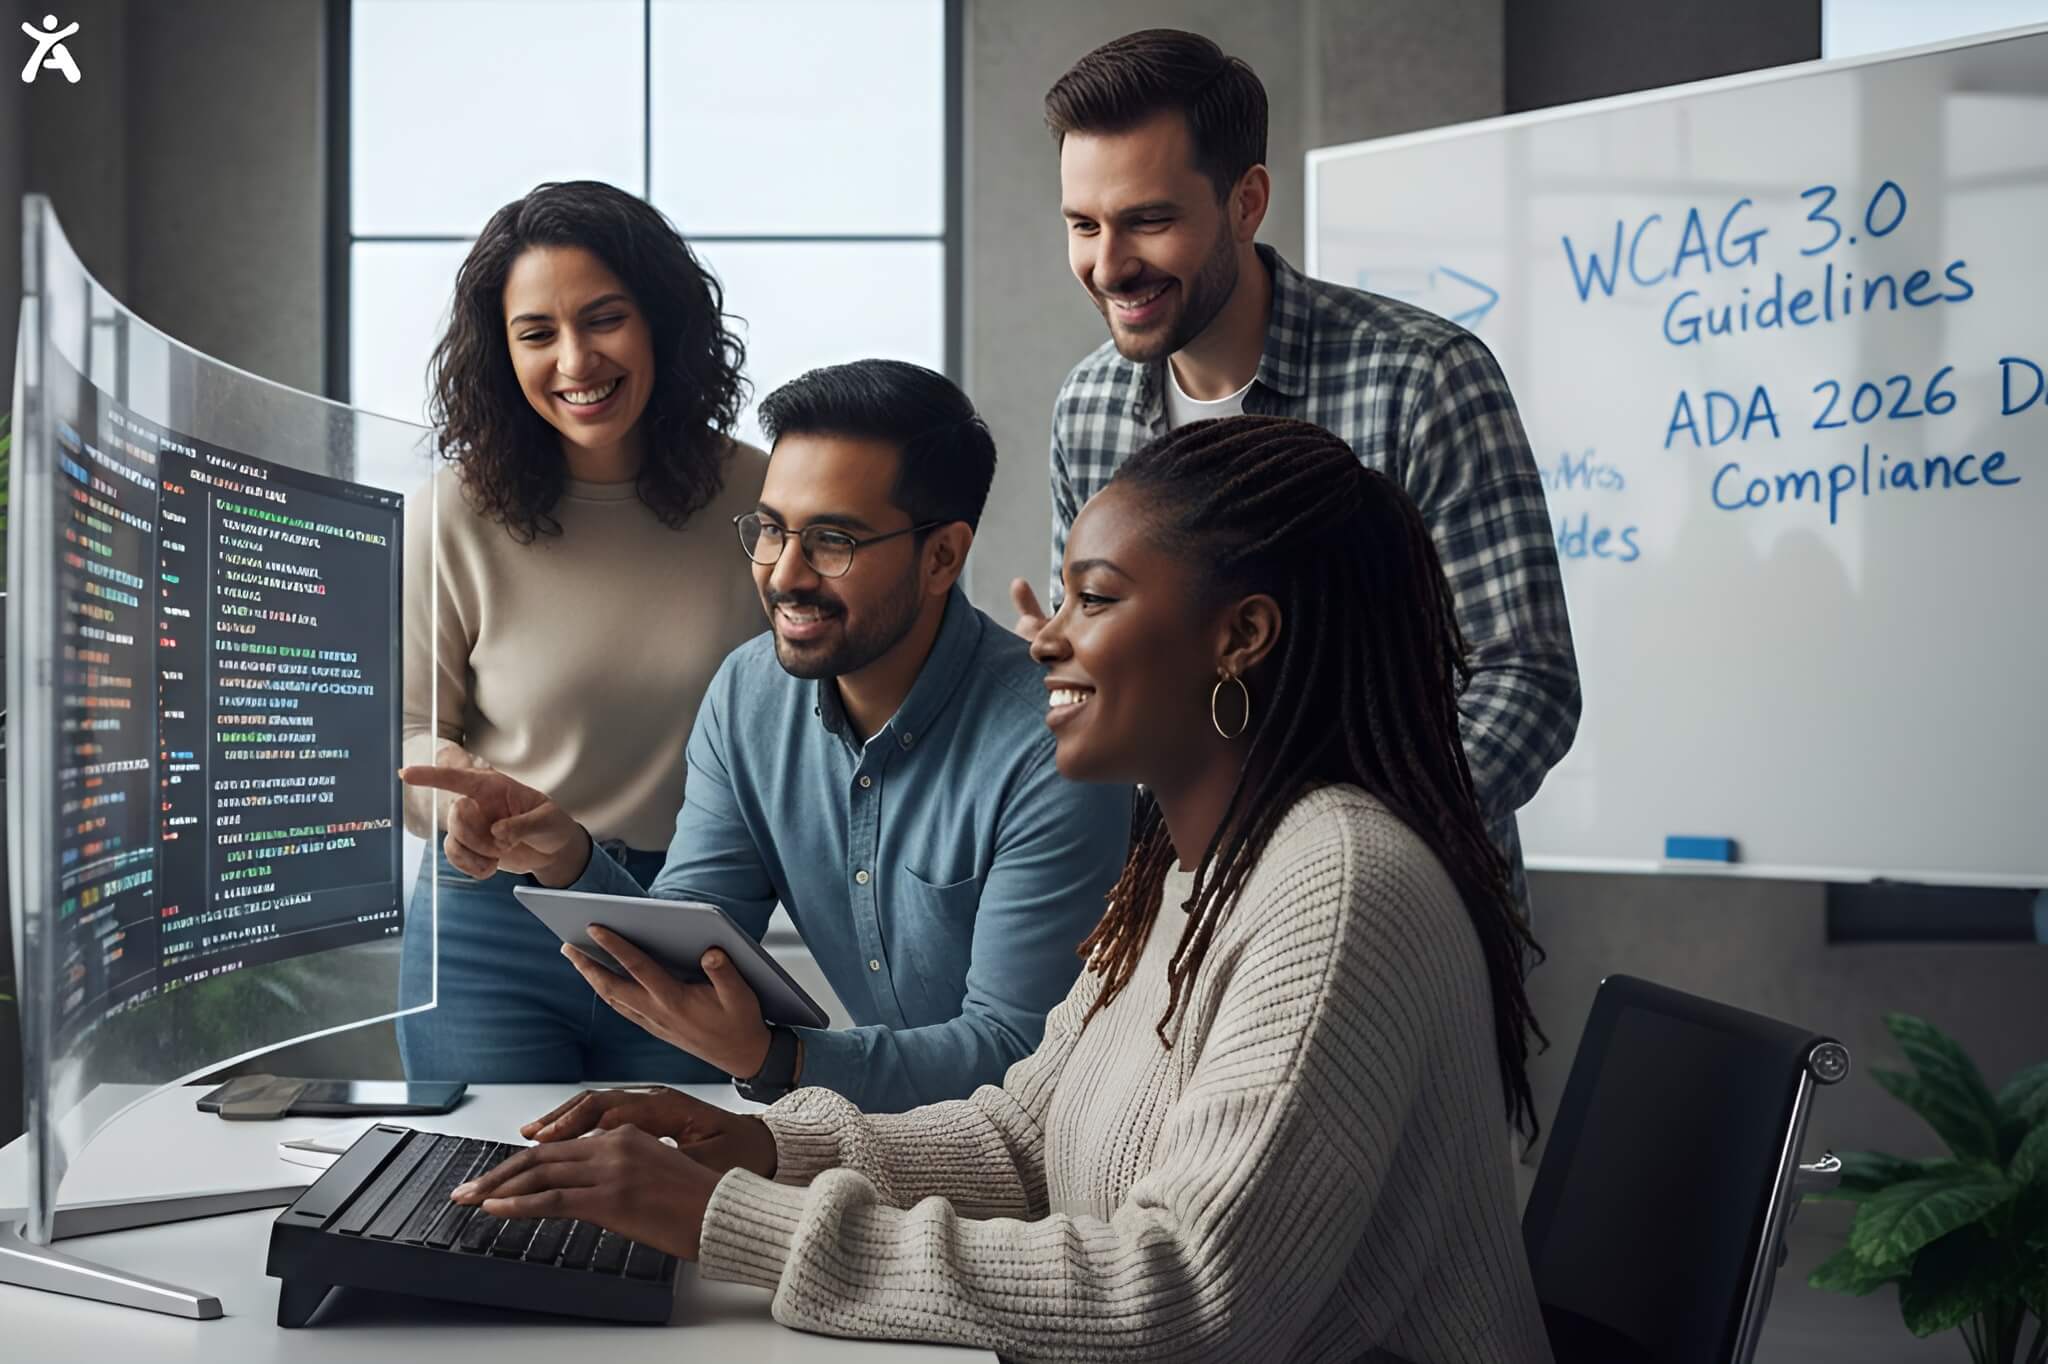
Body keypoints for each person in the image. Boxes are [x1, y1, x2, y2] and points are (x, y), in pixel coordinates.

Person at [450, 416, 1557, 1364]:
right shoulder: (1184, 870)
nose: (1048, 638)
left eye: (1094, 597)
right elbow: (1026, 1137)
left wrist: (738, 1222)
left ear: (1241, 637)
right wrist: (763, 1149)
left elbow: (1188, 1290)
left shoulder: (1337, 882)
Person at [403, 360, 1131, 1113]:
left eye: (832, 541)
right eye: (772, 530)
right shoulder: (748, 695)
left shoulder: (1057, 746)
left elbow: (1018, 1056)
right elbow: (693, 941)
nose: (785, 575)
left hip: (1058, 1159)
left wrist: (780, 1058)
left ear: (942, 555)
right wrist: (567, 858)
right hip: (904, 1144)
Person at [1010, 29, 1580, 925]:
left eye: (1148, 221)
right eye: (1084, 225)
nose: (1109, 265)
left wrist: (1330, 867)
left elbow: (1526, 680)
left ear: (1248, 201)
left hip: (1400, 920)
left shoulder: (1425, 378)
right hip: (1185, 925)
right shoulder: (1088, 406)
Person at [399, 180, 767, 1085]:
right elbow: (400, 731)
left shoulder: (763, 500)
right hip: (491, 920)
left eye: (604, 319)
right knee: (482, 1207)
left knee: (685, 1211)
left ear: (662, 325)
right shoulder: (452, 512)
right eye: (537, 334)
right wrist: (463, 805)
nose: (575, 360)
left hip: (688, 919)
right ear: (501, 353)